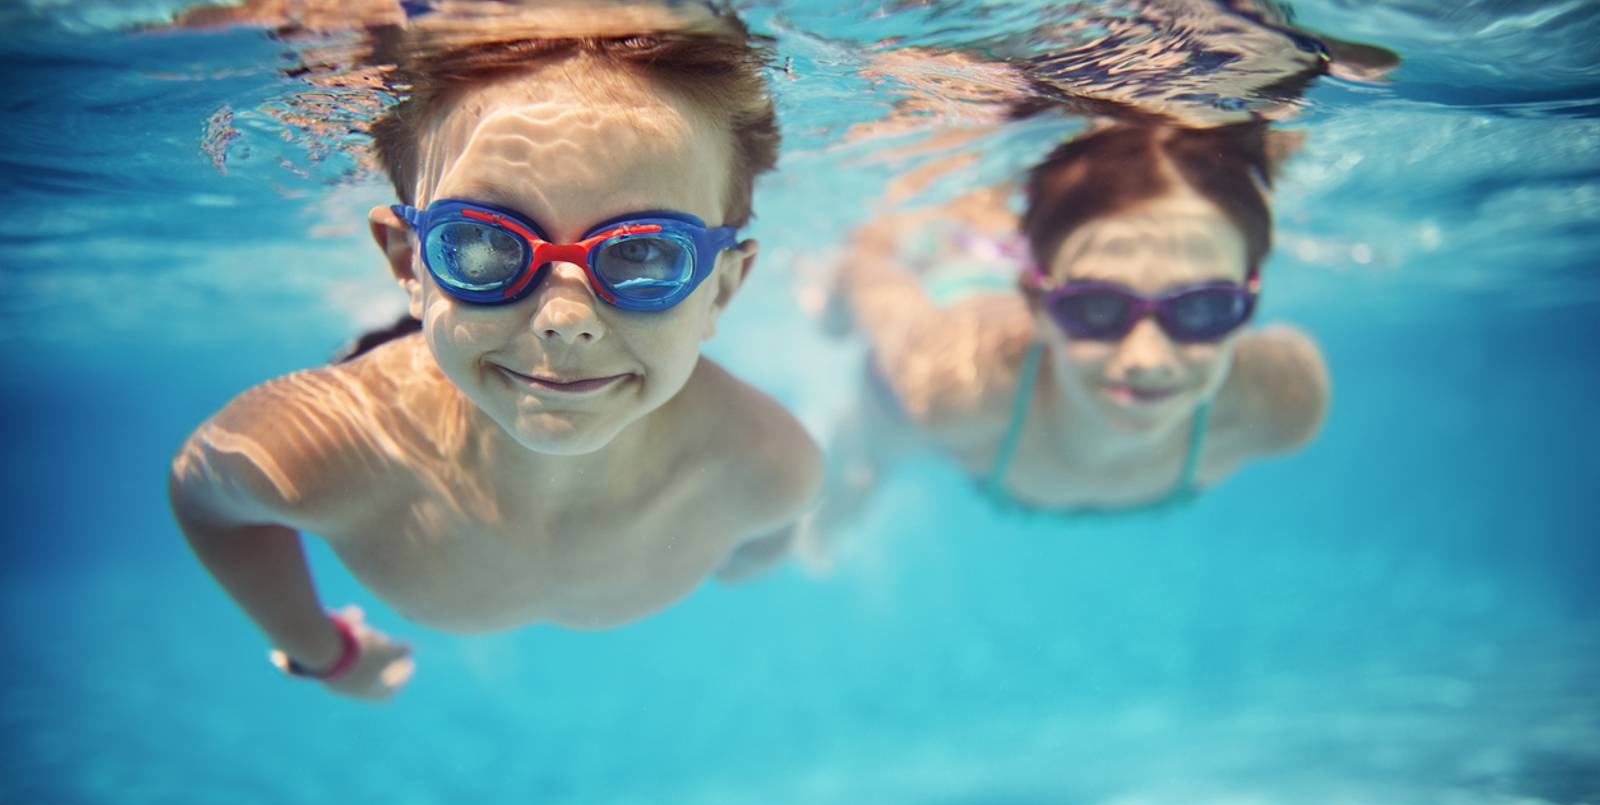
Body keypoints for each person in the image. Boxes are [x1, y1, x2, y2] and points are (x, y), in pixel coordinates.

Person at [168, 2, 821, 700]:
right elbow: (204, 498)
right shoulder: (322, 449)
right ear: (408, 265)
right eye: (481, 243)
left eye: (644, 253)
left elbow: (768, 538)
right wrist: (319, 651)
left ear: (722, 289)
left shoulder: (766, 469)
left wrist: (752, 552)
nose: (565, 320)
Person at [805, 121, 1327, 552]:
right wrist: (832, 316)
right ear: (1036, 302)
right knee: (866, 462)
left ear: (1249, 297)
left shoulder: (1283, 403)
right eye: (1096, 307)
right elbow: (863, 267)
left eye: (1204, 307)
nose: (1146, 358)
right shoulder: (951, 383)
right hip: (956, 293)